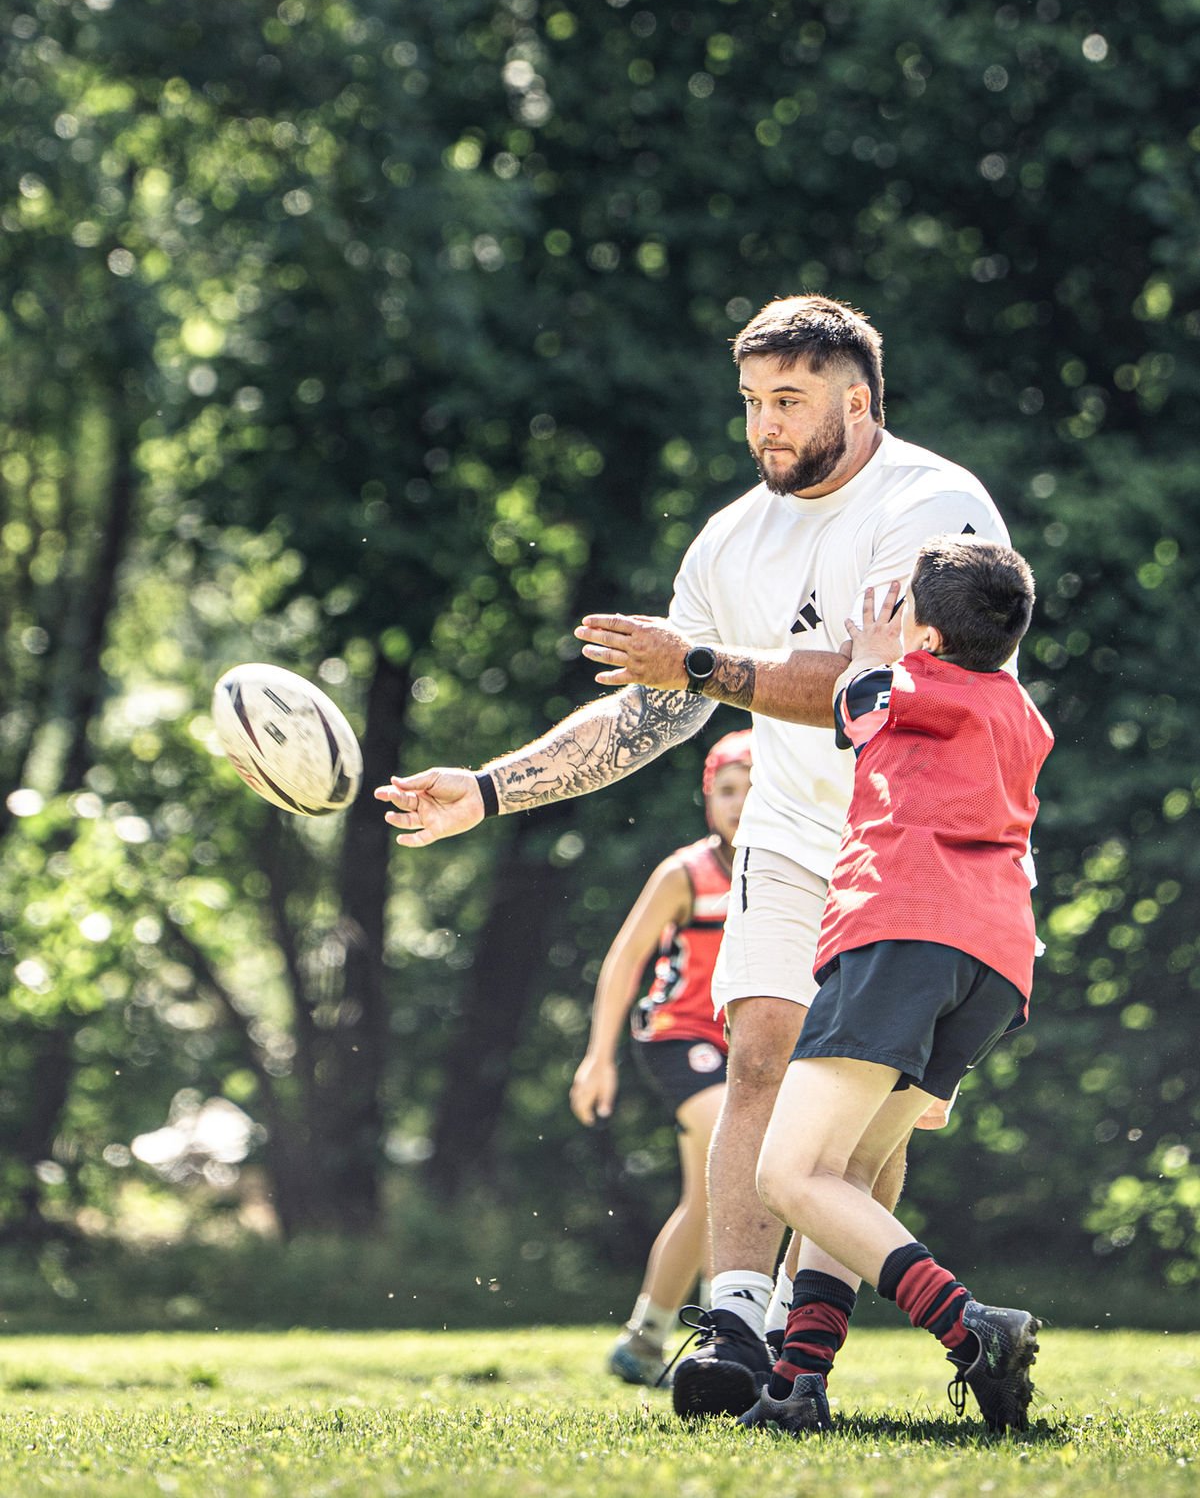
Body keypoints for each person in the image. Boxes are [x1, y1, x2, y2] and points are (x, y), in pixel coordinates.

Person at [376, 293, 1014, 1418]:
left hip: (910, 850)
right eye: (752, 403)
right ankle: (731, 1327)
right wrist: (487, 789)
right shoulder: (732, 536)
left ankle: (813, 1359)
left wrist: (702, 663)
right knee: (759, 1052)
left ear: (856, 402)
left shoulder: (932, 504)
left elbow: (880, 688)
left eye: (789, 401)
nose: (764, 426)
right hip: (792, 834)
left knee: (861, 1123)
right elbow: (653, 713)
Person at [745, 537, 1053, 1435]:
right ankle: (799, 1379)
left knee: (790, 1173)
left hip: (904, 930)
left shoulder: (910, 684)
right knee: (851, 1172)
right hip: (993, 957)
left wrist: (875, 657)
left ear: (924, 630)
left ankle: (972, 1328)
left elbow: (853, 709)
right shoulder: (1020, 711)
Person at [571, 731, 752, 1386]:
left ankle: (647, 1337)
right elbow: (624, 961)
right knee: (743, 1158)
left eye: (754, 788)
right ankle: (735, 1338)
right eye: (726, 790)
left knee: (708, 1194)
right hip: (679, 1036)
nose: (739, 802)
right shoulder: (686, 874)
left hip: (751, 1044)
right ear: (708, 800)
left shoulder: (797, 870)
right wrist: (599, 1057)